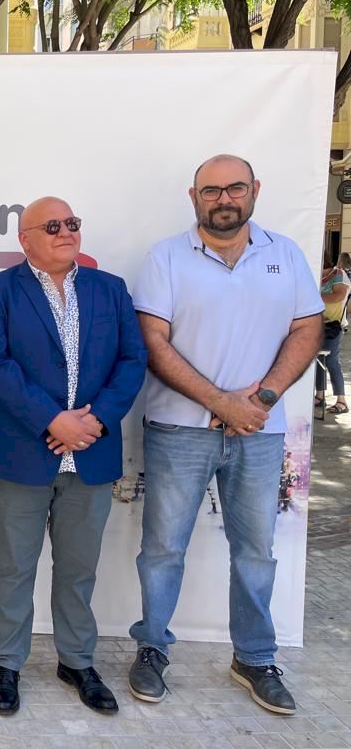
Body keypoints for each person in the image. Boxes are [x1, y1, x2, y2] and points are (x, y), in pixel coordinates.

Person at [127, 155, 323, 715]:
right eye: (211, 191)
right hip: (179, 431)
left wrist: (260, 401)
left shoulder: (286, 253)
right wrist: (221, 402)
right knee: (163, 550)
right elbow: (153, 341)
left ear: (254, 190)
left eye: (234, 188)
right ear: (194, 197)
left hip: (260, 431)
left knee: (256, 552)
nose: (224, 199)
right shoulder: (167, 257)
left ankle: (255, 658)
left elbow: (308, 328)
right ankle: (152, 649)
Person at [0, 197, 146, 715]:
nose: (66, 231)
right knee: (15, 567)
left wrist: (94, 421)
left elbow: (132, 360)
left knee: (78, 567)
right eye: (52, 226)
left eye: (72, 223)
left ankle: (77, 661)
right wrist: (53, 419)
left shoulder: (110, 290)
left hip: (90, 452)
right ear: (25, 239)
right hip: (21, 455)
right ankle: (7, 664)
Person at [314, 255, 348, 414]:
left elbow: (339, 295)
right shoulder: (315, 273)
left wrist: (315, 298)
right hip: (317, 326)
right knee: (318, 360)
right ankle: (320, 395)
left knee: (331, 361)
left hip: (333, 325)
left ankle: (342, 400)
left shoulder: (338, 274)